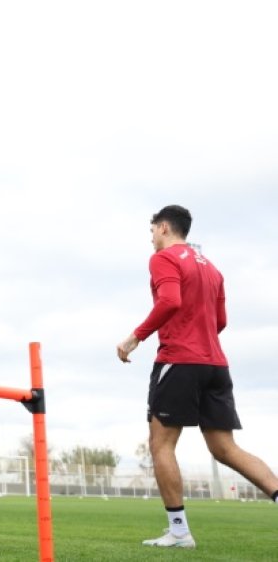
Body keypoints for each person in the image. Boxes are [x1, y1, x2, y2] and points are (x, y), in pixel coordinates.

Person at [116, 205, 278, 549]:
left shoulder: (164, 258)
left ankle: (179, 531)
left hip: (179, 362)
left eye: (151, 232)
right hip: (215, 365)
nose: (151, 239)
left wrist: (135, 337)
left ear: (163, 227)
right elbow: (220, 321)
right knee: (225, 448)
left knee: (161, 444)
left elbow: (170, 300)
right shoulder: (213, 269)